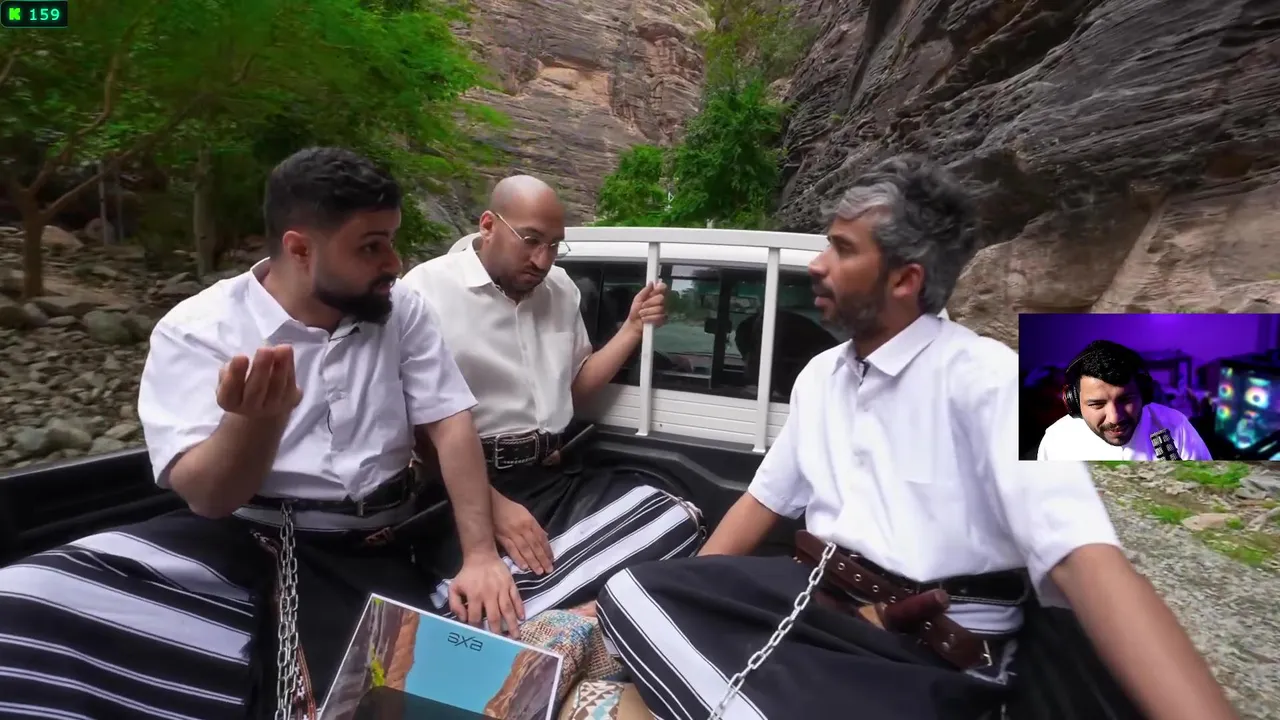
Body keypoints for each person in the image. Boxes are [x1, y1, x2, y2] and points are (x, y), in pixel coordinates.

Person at [596, 156, 1238, 720]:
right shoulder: (821, 375)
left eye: (841, 250)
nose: (817, 265)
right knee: (633, 594)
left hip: (927, 653)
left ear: (904, 280)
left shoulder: (990, 380)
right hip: (820, 609)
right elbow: (762, 503)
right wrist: (697, 597)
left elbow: (1085, 561)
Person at [0, 147, 521, 719]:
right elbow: (210, 498)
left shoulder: (402, 310)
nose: (393, 262)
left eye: (391, 241)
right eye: (371, 246)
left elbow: (449, 422)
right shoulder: (198, 329)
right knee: (25, 600)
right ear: (299, 249)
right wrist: (255, 423)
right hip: (241, 538)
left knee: (433, 692)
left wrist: (479, 554)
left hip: (377, 541)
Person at [399, 174, 705, 621]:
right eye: (530, 241)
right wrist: (493, 507)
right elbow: (418, 427)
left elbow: (574, 391)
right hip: (464, 488)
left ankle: (572, 615)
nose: (542, 260)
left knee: (679, 520)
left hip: (553, 478)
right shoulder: (425, 291)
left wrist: (633, 328)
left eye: (554, 246)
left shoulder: (562, 289)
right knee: (484, 601)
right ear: (488, 225)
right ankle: (577, 612)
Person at [1037, 339, 1212, 461]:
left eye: (1126, 400)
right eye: (1097, 404)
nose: (1115, 418)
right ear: (1074, 402)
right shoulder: (1056, 441)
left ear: (1144, 394)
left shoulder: (1176, 426)